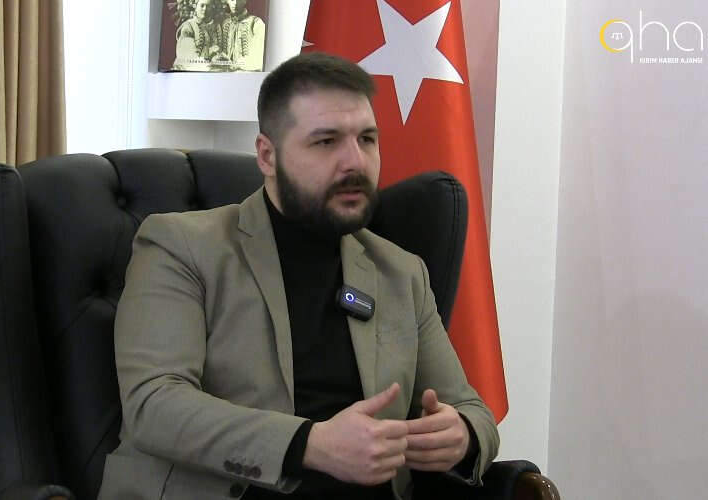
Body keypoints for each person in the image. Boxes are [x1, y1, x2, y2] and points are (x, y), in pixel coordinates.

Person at [97, 53, 499, 499]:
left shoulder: (400, 272)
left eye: (367, 139)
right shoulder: (182, 246)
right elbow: (154, 404)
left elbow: (471, 409)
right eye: (326, 141)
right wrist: (310, 444)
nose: (355, 162)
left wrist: (460, 435)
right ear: (267, 156)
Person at [173, 0, 224, 70]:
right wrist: (209, 53)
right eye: (202, 5)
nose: (205, 9)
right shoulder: (188, 26)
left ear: (213, 7)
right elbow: (188, 57)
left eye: (208, 6)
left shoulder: (217, 26)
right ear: (195, 7)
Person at [223, 0, 265, 71]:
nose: (235, 3)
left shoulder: (256, 23)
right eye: (232, 0)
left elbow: (259, 58)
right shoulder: (225, 24)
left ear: (245, 1)